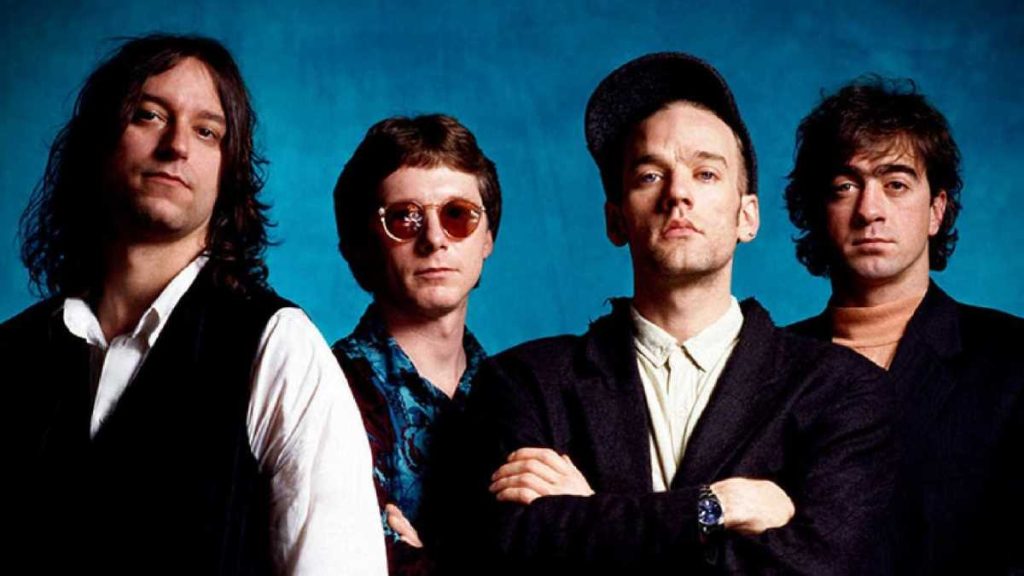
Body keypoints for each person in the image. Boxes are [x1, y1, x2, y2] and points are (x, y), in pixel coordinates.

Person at [453, 52, 896, 574]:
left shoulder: (842, 391)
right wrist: (717, 507)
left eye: (706, 173)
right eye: (649, 176)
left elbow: (822, 567)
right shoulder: (524, 382)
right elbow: (509, 552)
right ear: (616, 221)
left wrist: (589, 514)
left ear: (747, 216)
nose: (678, 193)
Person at [4, 34, 386, 575]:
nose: (177, 145)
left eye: (207, 131)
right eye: (149, 115)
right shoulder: (13, 351)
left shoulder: (277, 345)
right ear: (99, 142)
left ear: (229, 173)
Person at [785, 76, 1024, 575]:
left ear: (936, 210)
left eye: (895, 184)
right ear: (818, 211)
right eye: (845, 187)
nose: (870, 210)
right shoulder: (767, 364)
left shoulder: (1012, 358)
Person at [331, 114, 501, 574]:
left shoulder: (522, 389)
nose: (434, 239)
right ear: (361, 245)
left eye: (457, 215)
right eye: (404, 218)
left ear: (487, 238)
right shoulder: (328, 391)